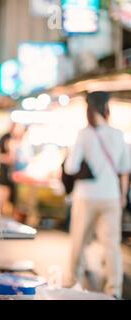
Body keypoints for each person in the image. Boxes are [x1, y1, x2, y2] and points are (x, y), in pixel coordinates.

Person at [64, 91, 130, 299]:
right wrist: (122, 196)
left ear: (89, 110)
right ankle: (114, 290)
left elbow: (71, 167)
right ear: (106, 110)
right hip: (111, 196)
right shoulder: (118, 135)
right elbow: (124, 170)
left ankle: (71, 284)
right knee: (112, 246)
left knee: (79, 242)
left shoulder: (84, 135)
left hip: (86, 196)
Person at [0, 123, 26, 219]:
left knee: (3, 201)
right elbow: (11, 159)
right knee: (1, 201)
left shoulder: (9, 139)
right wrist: (2, 158)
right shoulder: (10, 140)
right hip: (6, 174)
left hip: (7, 174)